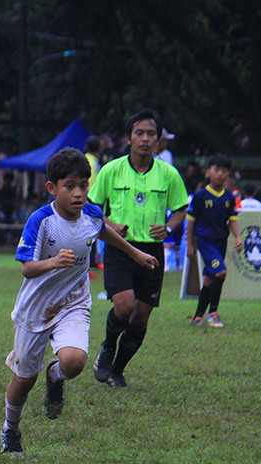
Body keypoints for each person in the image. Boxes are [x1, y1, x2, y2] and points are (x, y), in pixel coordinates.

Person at [0, 148, 158, 455]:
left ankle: (55, 376)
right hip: (36, 308)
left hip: (73, 302)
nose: (78, 193)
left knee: (73, 363)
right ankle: (11, 429)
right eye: (69, 186)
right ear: (52, 188)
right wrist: (53, 262)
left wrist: (135, 253)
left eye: (83, 186)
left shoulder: (92, 214)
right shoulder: (41, 220)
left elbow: (104, 231)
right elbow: (26, 268)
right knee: (24, 380)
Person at [88, 108, 189, 388]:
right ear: (128, 138)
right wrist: (110, 224)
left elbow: (181, 209)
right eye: (139, 133)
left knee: (141, 318)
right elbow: (92, 207)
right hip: (119, 248)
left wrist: (169, 228)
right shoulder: (111, 170)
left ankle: (117, 370)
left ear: (158, 140)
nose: (145, 139)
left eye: (151, 134)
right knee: (124, 307)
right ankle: (108, 347)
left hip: (152, 251)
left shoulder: (169, 174)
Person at [186, 154, 243, 328]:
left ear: (228, 174)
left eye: (224, 171)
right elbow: (191, 221)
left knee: (209, 279)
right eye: (216, 170)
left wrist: (238, 237)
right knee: (221, 272)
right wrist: (190, 244)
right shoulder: (200, 195)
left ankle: (197, 317)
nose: (220, 174)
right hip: (205, 241)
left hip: (220, 241)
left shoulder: (229, 197)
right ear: (208, 172)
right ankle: (213, 313)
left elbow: (232, 220)